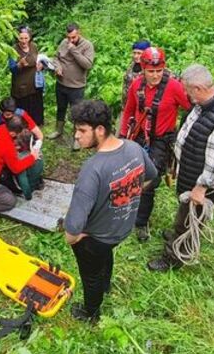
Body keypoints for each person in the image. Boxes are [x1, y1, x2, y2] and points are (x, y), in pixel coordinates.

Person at [63, 100, 157, 323]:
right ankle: (106, 285)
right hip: (122, 228)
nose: (76, 135)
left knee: (90, 275)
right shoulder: (133, 147)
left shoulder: (92, 169)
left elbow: (72, 229)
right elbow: (152, 176)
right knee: (105, 254)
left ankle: (91, 313)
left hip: (97, 237)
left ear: (100, 130)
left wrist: (76, 238)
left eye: (81, 130)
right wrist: (130, 194)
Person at [147, 64, 214, 272]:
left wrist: (202, 188)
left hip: (202, 182)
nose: (186, 95)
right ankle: (178, 234)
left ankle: (175, 257)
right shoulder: (204, 104)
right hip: (191, 171)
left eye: (188, 91)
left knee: (189, 219)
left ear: (198, 88)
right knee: (185, 213)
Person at [120, 47, 191, 242]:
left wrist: (185, 131)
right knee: (131, 174)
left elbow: (191, 109)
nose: (155, 76)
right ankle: (131, 204)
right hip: (139, 135)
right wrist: (122, 136)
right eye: (151, 71)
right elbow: (129, 111)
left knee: (149, 181)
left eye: (159, 71)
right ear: (143, 69)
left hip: (161, 140)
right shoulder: (137, 85)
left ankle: (141, 223)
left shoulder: (174, 87)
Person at [49, 22, 95, 150]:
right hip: (61, 83)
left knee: (77, 113)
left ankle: (77, 137)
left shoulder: (87, 46)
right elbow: (56, 58)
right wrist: (57, 67)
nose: (70, 40)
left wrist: (73, 50)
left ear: (78, 33)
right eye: (68, 37)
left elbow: (87, 64)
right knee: (61, 108)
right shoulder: (64, 42)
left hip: (76, 86)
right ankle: (58, 130)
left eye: (73, 37)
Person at [0, 98, 44, 199]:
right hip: (6, 147)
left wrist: (36, 148)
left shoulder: (21, 115)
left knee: (32, 164)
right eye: (6, 115)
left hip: (23, 146)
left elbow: (39, 134)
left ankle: (34, 179)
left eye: (11, 114)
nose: (9, 116)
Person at [8, 26, 44, 126]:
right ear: (17, 38)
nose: (24, 41)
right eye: (21, 38)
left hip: (34, 83)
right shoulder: (13, 50)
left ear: (30, 38)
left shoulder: (34, 46)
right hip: (21, 87)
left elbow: (38, 60)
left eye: (26, 38)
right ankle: (22, 127)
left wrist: (41, 65)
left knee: (35, 107)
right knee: (22, 110)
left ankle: (36, 126)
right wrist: (19, 65)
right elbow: (12, 68)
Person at [120, 39, 150, 130]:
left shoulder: (150, 69)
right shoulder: (132, 65)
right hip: (126, 106)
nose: (136, 56)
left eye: (139, 53)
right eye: (134, 53)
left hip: (140, 108)